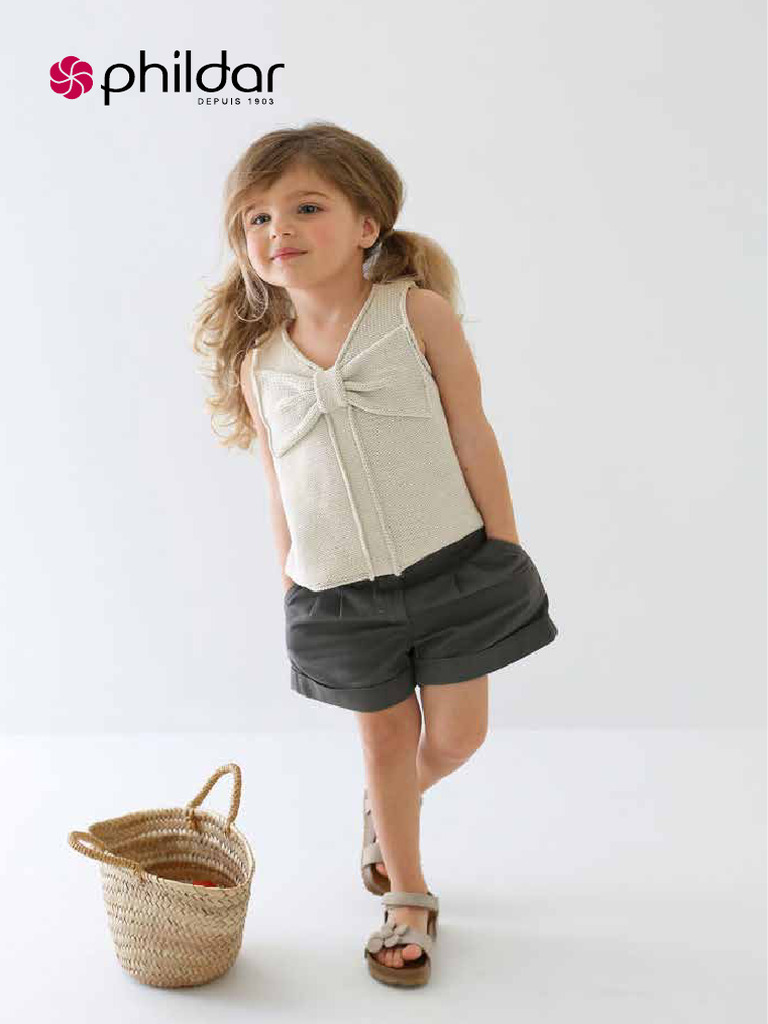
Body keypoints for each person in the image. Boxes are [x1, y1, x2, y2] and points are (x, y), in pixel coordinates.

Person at [192, 121, 558, 987]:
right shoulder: (259, 364)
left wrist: (503, 545)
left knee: (458, 738)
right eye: (256, 218)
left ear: (366, 224)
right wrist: (292, 579)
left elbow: (472, 433)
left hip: (452, 566)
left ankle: (389, 810)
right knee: (386, 744)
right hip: (338, 595)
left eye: (305, 207)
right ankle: (408, 897)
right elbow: (280, 484)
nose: (278, 229)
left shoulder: (415, 315)